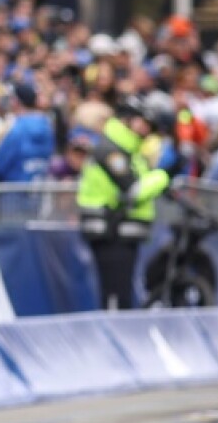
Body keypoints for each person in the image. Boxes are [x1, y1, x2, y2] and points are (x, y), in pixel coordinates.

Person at [77, 97, 179, 310]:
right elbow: (133, 190)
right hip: (110, 231)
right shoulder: (110, 150)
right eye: (142, 122)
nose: (146, 129)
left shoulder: (129, 151)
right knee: (115, 296)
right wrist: (164, 176)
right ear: (126, 120)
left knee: (121, 293)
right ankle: (112, 340)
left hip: (121, 232)